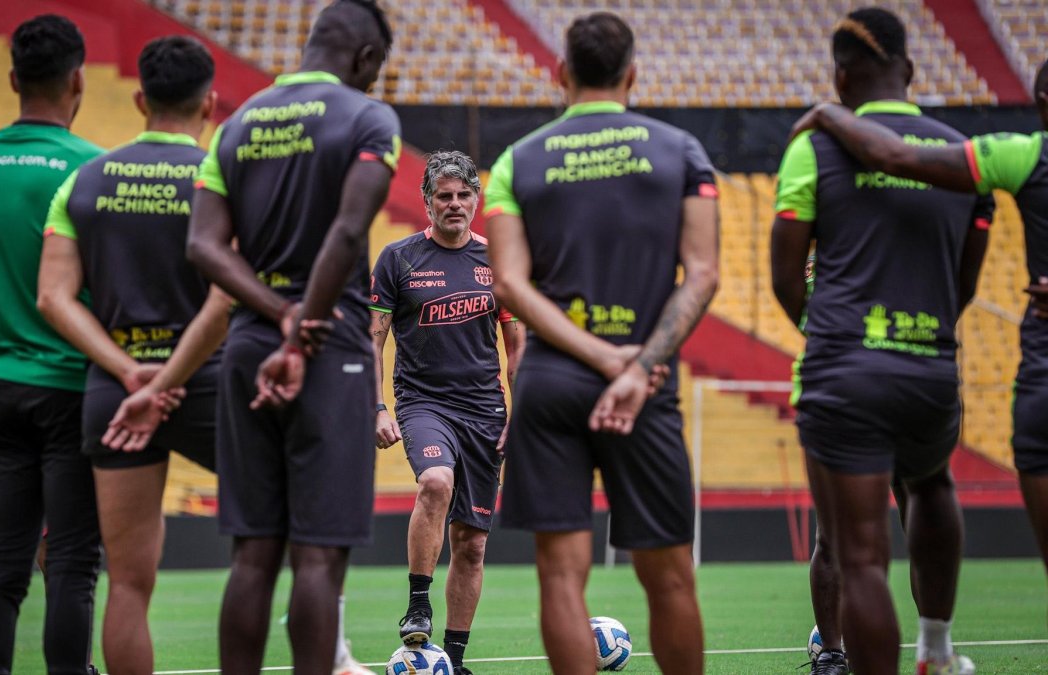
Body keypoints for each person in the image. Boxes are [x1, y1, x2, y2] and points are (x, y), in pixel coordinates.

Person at [484, 12, 718, 675]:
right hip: (644, 384)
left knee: (561, 574)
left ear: (561, 73)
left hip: (551, 382)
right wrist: (634, 366)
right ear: (632, 75)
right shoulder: (682, 152)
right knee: (669, 573)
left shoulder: (515, 161)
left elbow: (508, 283)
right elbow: (704, 274)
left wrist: (596, 356)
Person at [771, 8, 993, 675]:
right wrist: (923, 328)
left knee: (851, 547)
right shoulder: (962, 152)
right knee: (931, 489)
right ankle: (936, 649)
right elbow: (965, 281)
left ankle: (836, 658)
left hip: (844, 373)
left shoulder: (813, 148)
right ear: (912, 70)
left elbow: (785, 279)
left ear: (840, 79)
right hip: (929, 366)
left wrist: (832, 334)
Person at [185, 0, 400, 672]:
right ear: (366, 58)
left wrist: (278, 313)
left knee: (252, 554)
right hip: (330, 346)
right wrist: (304, 326)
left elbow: (204, 246)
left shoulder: (236, 124)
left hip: (248, 347)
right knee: (317, 556)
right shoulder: (368, 119)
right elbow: (347, 230)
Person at [795, 53, 1048, 617]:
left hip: (864, 374)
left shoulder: (1006, 159)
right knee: (867, 524)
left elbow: (897, 162)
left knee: (880, 524)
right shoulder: (1003, 158)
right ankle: (875, 648)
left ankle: (914, 642)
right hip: (891, 369)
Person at [36, 35, 222, 675]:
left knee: (128, 584)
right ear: (211, 104)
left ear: (141, 99)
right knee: (274, 547)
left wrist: (129, 372)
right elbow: (227, 299)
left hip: (116, 393)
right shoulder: (220, 179)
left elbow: (53, 298)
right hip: (208, 383)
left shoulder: (84, 180)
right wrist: (172, 378)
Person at [0, 15, 104, 674]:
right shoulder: (91, 165)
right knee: (69, 564)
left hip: (1, 388)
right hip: (71, 384)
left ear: (14, 79)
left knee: (1, 568)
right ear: (79, 80)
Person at [370, 150, 524, 674]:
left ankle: (453, 661)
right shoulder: (398, 258)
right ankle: (418, 604)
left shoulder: (498, 260)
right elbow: (373, 341)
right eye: (444, 196)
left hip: (485, 412)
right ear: (427, 202)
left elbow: (517, 347)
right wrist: (377, 406)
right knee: (435, 481)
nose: (455, 204)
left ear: (476, 200)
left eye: (463, 195)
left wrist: (521, 414)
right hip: (424, 404)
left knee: (472, 544)